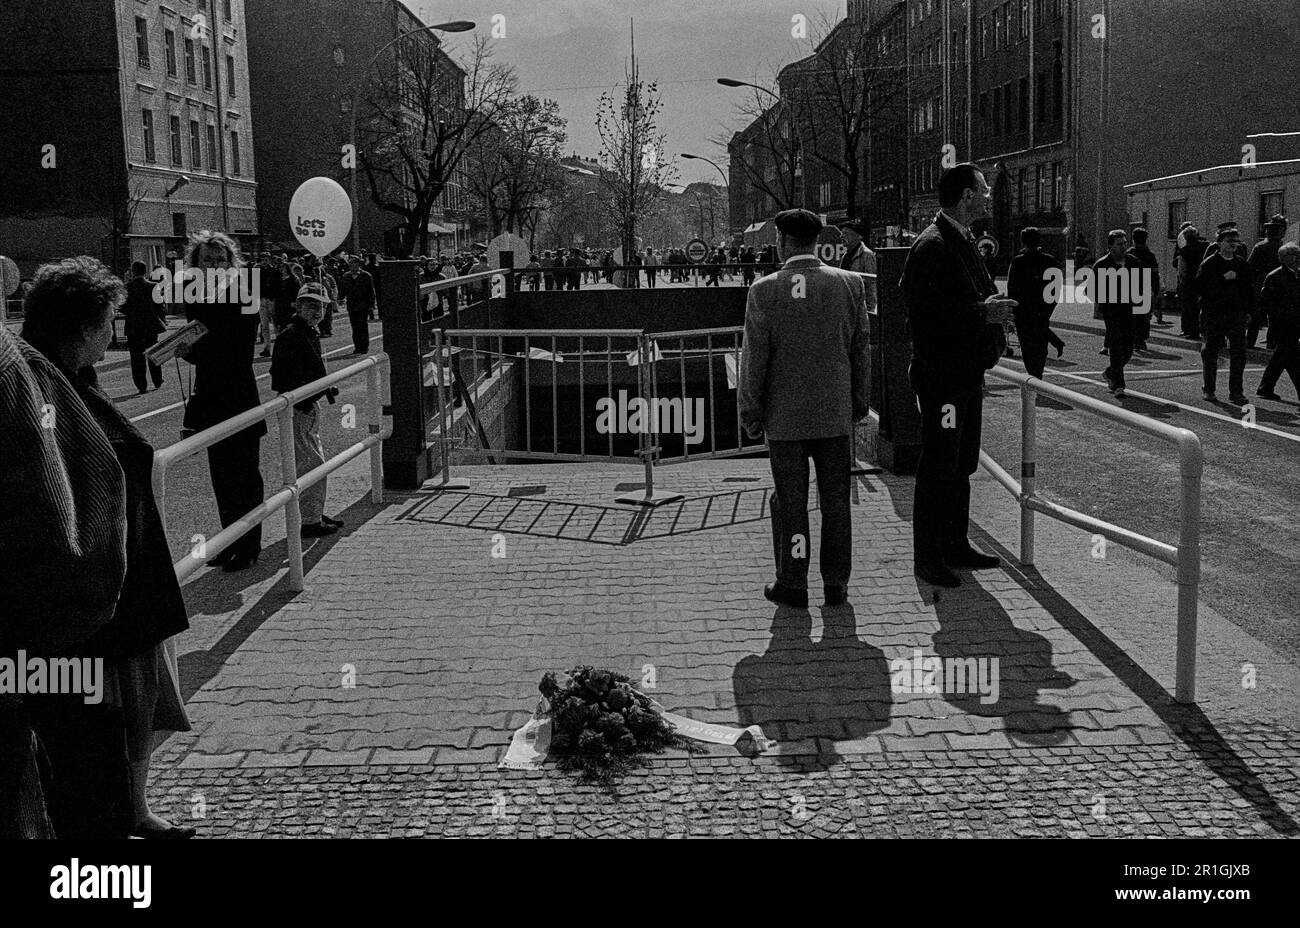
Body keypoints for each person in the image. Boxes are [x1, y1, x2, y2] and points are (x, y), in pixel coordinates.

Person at [17, 257, 194, 839]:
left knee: (135, 703)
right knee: (95, 720)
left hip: (125, 580)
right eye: (110, 319)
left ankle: (132, 810)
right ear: (87, 326)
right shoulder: (41, 387)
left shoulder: (76, 378)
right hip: (91, 594)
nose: (115, 330)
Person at [739, 209, 870, 608]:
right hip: (834, 414)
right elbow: (860, 349)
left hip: (785, 419)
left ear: (781, 241)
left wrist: (750, 411)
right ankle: (836, 584)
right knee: (836, 501)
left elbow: (755, 359)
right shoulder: (850, 285)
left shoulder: (763, 291)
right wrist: (859, 403)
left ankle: (793, 582)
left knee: (791, 502)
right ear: (818, 241)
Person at [900, 163, 1017, 588]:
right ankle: (928, 557)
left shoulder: (960, 240)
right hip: (944, 379)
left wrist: (989, 309)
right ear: (966, 196)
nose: (987, 196)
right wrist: (984, 312)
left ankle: (955, 543)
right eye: (983, 190)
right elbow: (925, 319)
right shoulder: (932, 246)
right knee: (938, 465)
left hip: (965, 375)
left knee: (962, 463)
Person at [177, 231, 267, 572]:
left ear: (232, 263)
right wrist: (185, 351)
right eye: (206, 261)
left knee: (244, 474)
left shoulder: (246, 291)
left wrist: (197, 351)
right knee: (221, 476)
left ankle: (248, 546)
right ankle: (228, 542)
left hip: (239, 393)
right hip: (211, 395)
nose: (213, 265)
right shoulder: (195, 294)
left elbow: (241, 349)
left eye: (219, 260)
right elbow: (199, 341)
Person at [271, 282, 344, 538]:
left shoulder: (308, 332)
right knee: (312, 463)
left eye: (321, 306)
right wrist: (302, 395)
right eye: (310, 305)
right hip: (298, 407)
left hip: (308, 405)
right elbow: (279, 376)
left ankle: (313, 511)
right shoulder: (291, 334)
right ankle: (310, 521)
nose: (316, 311)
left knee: (313, 460)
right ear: (298, 306)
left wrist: (323, 388)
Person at [1197, 225, 1254, 404]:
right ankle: (1209, 389)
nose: (1233, 245)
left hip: (1235, 314)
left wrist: (1249, 311)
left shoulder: (1241, 264)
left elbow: (1248, 289)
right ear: (1220, 243)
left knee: (1239, 353)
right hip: (1214, 313)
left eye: (1236, 242)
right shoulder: (1209, 264)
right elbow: (1200, 288)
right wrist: (1222, 279)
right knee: (1211, 351)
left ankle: (1236, 392)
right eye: (1230, 241)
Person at [1007, 227, 1065, 380]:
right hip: (1042, 309)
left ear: (1022, 241)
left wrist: (1014, 310)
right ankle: (1037, 374)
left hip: (1023, 312)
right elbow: (1056, 289)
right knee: (1040, 344)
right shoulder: (1050, 260)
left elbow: (1012, 288)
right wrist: (1049, 308)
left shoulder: (1018, 261)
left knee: (1027, 346)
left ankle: (1034, 376)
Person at [1092, 230, 1140, 397]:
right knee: (1116, 346)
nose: (1124, 246)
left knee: (1128, 348)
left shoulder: (1133, 262)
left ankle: (1111, 372)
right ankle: (1119, 385)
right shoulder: (1102, 265)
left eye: (1125, 243)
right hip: (1112, 312)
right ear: (1111, 246)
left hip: (1131, 310)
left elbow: (1142, 284)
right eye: (1119, 243)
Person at [1255, 242, 1300, 401]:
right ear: (1283, 258)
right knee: (1293, 359)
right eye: (1292, 255)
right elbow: (1266, 302)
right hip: (1282, 324)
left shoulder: (1297, 275)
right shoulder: (1275, 277)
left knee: (1281, 357)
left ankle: (1265, 387)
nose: (1296, 258)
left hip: (1295, 324)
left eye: (1298, 254)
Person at [121, 260, 166, 393]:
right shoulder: (153, 286)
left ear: (133, 271)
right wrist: (161, 319)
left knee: (136, 358)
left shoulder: (127, 287)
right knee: (153, 353)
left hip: (133, 326)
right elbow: (160, 306)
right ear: (145, 271)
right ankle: (157, 380)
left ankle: (141, 385)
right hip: (150, 325)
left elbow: (122, 306)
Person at [1247, 214, 1286, 348]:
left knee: (1256, 317)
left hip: (1260, 285)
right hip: (1279, 286)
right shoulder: (1284, 248)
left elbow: (1250, 267)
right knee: (1274, 317)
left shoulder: (1260, 246)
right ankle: (1271, 344)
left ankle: (1250, 342)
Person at [1126, 227, 1160, 351]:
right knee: (1144, 316)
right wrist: (1156, 289)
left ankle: (1135, 339)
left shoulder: (1129, 253)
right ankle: (1141, 339)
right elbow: (1155, 274)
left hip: (1130, 288)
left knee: (1131, 315)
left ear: (1133, 239)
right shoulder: (1150, 255)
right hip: (1145, 287)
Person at [838, 220, 878, 311]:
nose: (841, 236)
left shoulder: (867, 255)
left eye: (845, 233)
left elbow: (871, 286)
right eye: (841, 233)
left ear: (858, 236)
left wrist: (869, 310)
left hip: (861, 308)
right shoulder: (845, 256)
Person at [1176, 226, 1208, 339]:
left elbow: (1182, 270)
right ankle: (1206, 330)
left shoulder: (1184, 251)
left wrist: (1181, 282)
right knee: (1205, 307)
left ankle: (1192, 331)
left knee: (1191, 308)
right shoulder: (1206, 246)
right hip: (1205, 280)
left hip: (1190, 282)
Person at [341, 256, 375, 354]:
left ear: (358, 264)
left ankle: (364, 346)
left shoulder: (366, 276)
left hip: (363, 304)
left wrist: (371, 304)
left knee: (362, 325)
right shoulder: (346, 276)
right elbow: (343, 288)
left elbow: (371, 291)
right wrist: (340, 297)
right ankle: (357, 346)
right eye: (350, 263)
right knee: (354, 326)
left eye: (354, 263)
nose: (352, 265)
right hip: (351, 304)